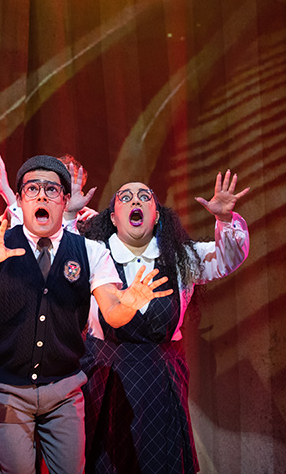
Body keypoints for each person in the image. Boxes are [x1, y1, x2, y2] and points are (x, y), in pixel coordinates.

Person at [0, 155, 174, 474]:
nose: (42, 195)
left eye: (51, 189)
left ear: (64, 200)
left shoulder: (90, 251)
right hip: (8, 391)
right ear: (20, 200)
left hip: (64, 390)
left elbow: (113, 315)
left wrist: (130, 302)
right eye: (32, 189)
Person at [78, 171, 250, 474]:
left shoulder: (182, 257)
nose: (136, 201)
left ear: (156, 216)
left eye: (145, 197)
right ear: (114, 218)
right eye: (126, 197)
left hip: (161, 379)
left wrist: (224, 219)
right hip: (107, 377)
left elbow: (227, 256)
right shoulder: (93, 255)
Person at [0, 152, 98, 231]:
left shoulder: (88, 220)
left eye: (70, 181)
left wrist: (99, 221)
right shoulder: (21, 212)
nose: (64, 185)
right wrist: (6, 191)